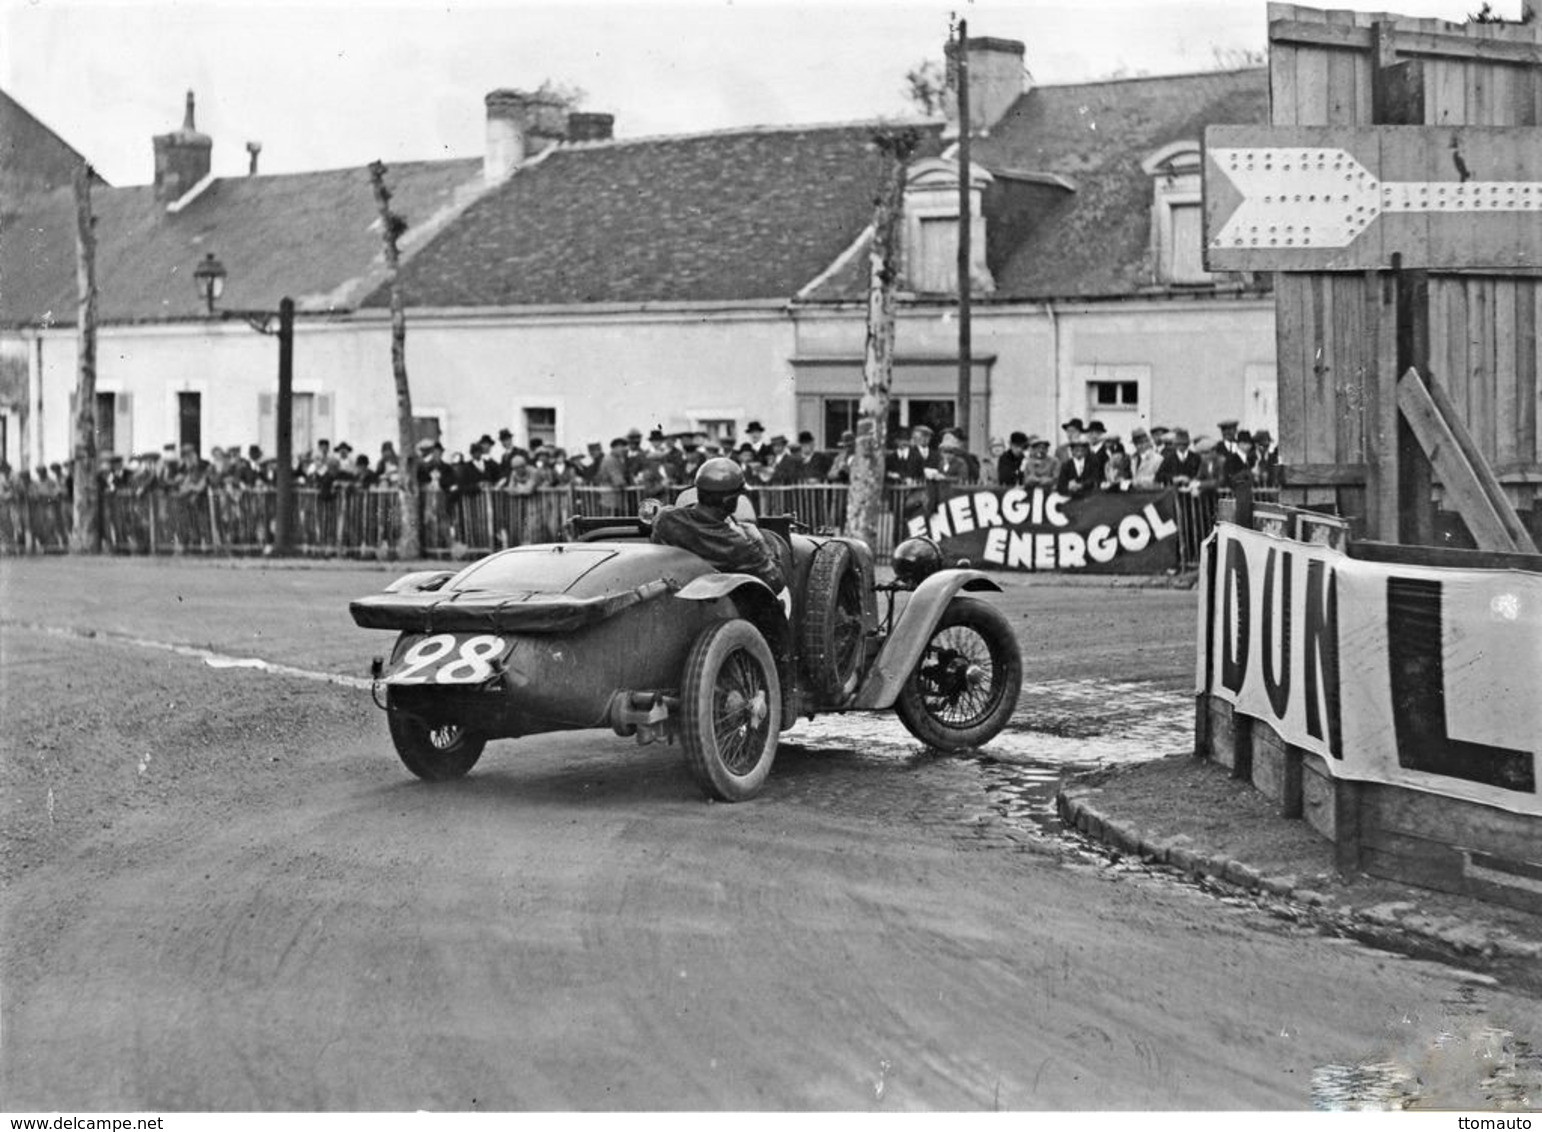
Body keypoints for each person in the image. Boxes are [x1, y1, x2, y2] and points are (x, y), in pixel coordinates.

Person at [649, 457, 786, 597]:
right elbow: (776, 582)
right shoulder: (737, 545)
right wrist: (759, 541)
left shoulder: (665, 518)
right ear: (728, 501)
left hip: (669, 597)